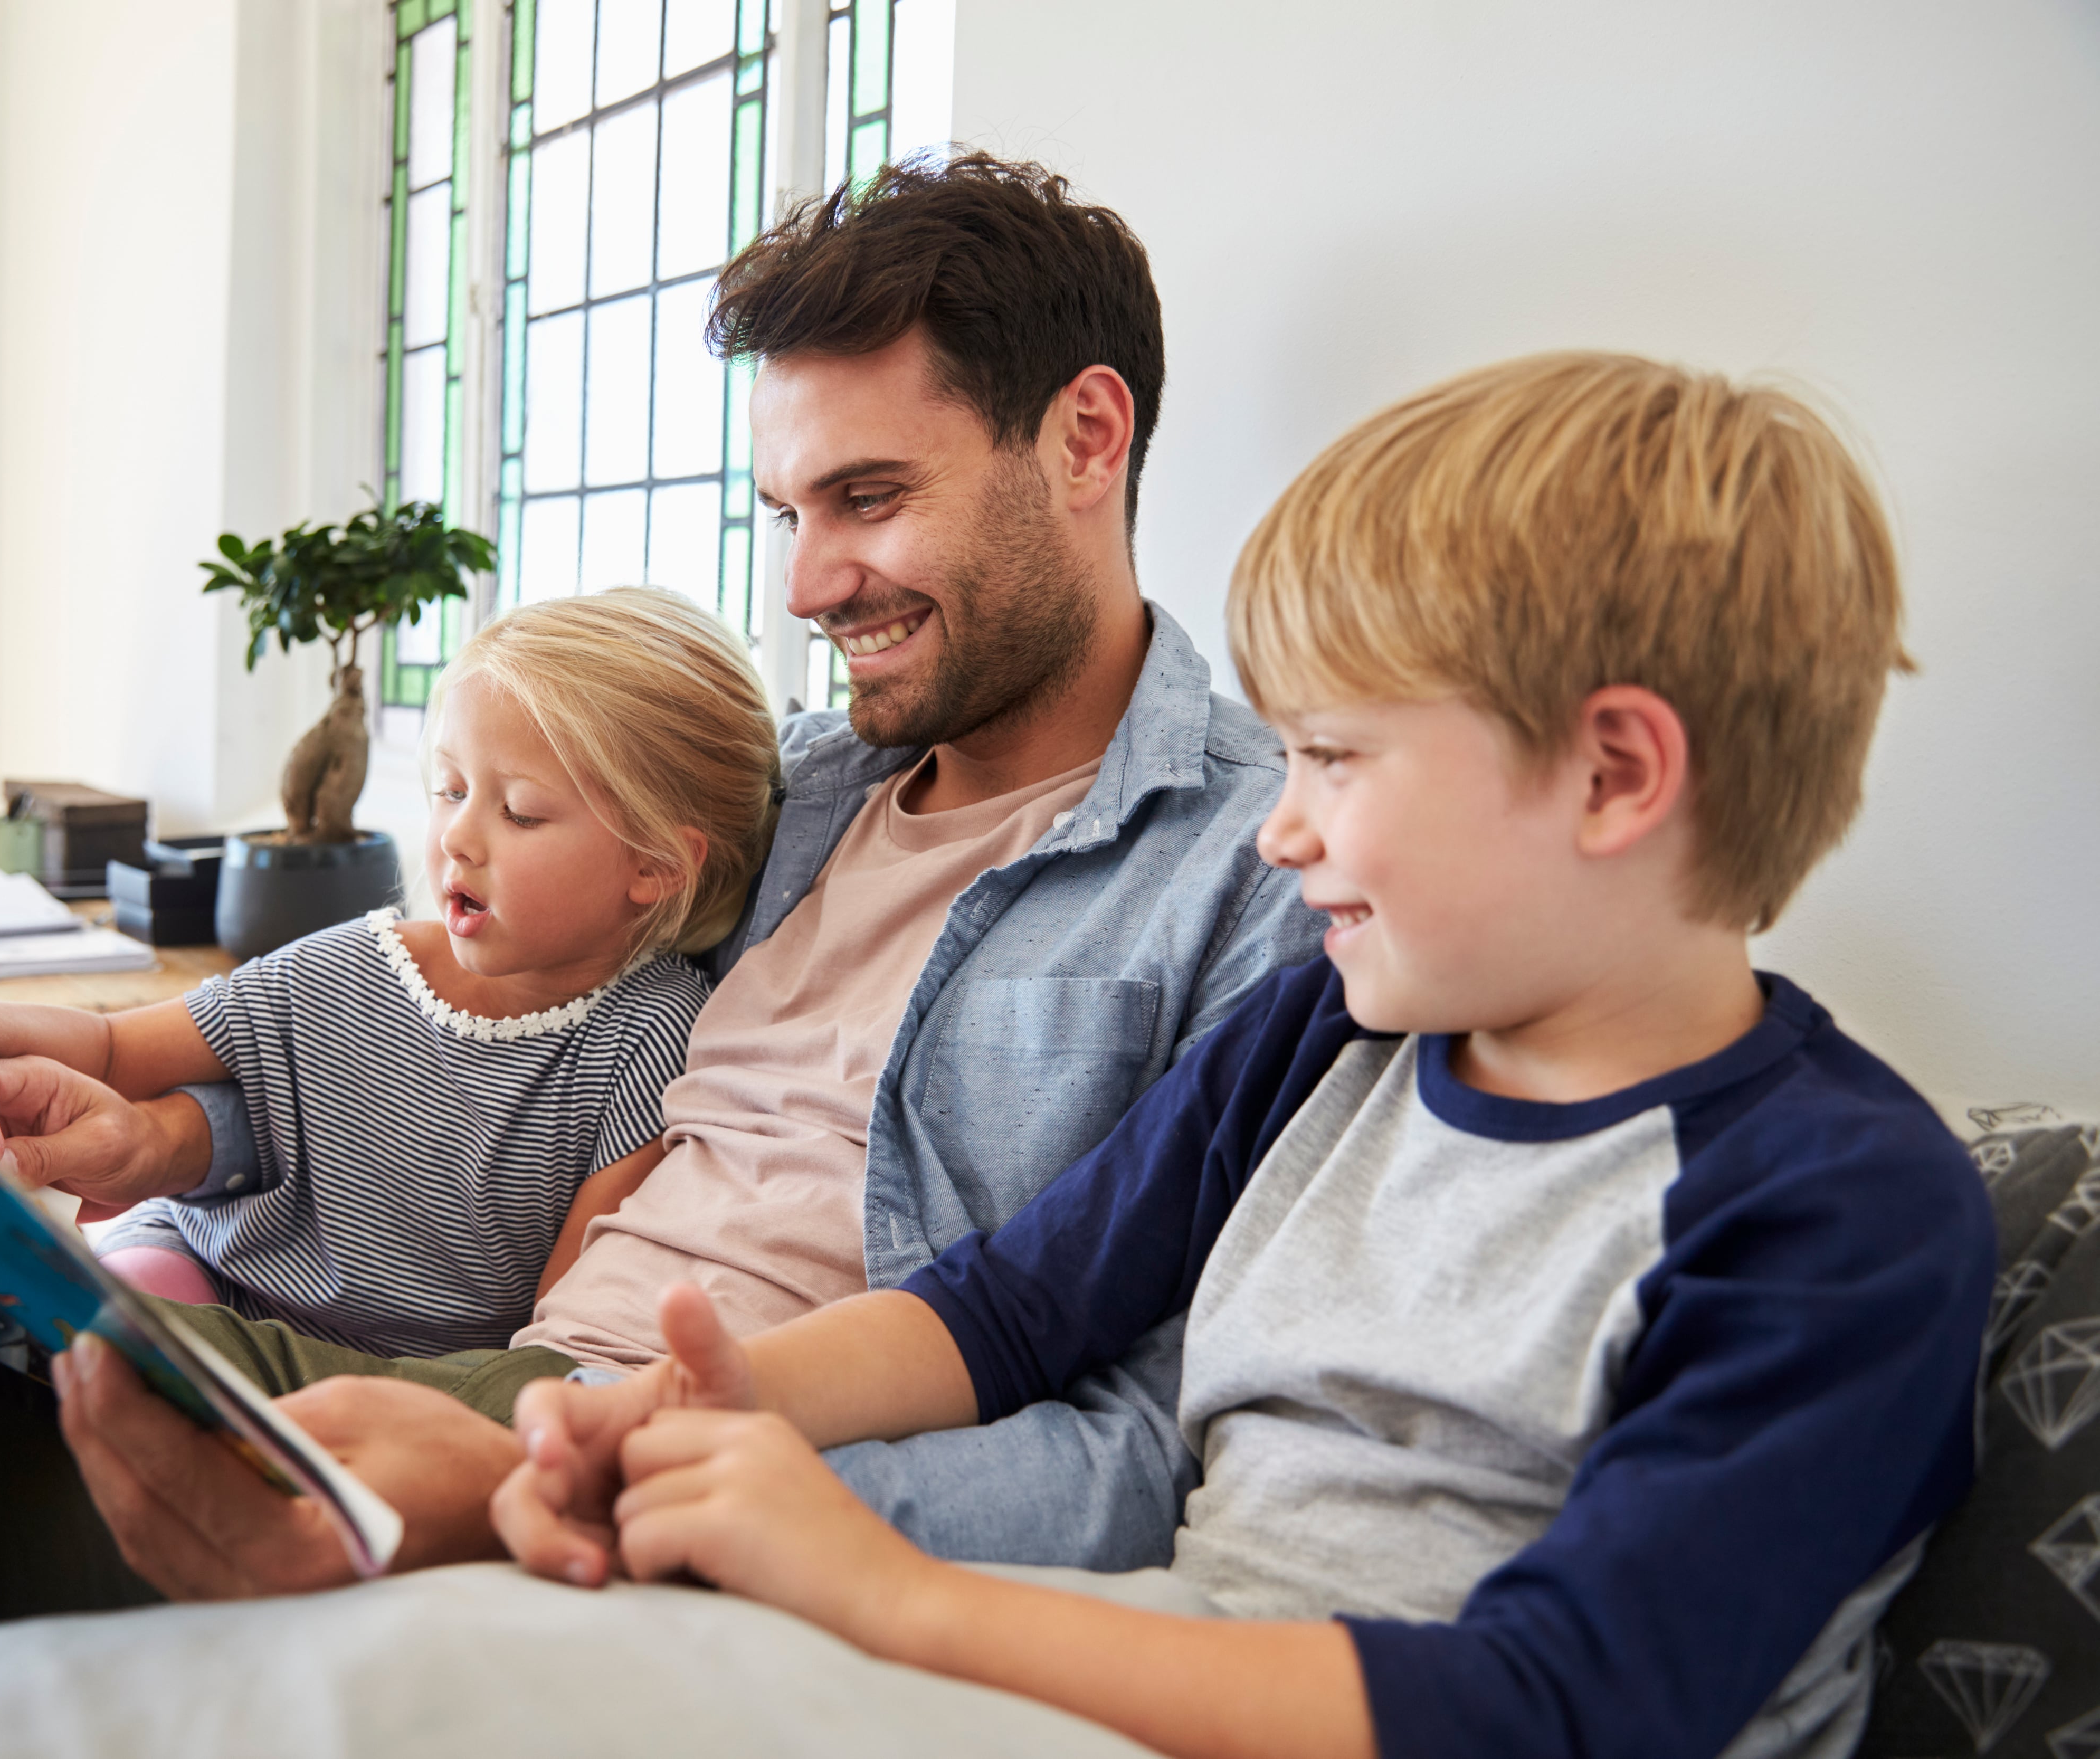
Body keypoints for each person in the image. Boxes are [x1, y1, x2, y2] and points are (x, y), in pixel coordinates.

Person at [0, 152, 1317, 1690]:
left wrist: (616, 1479)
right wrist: (156, 1118)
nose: (813, 580)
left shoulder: (1265, 873)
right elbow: (465, 1023)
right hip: (450, 1391)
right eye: (787, 507)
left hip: (596, 1473)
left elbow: (1147, 1451)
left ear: (1087, 439)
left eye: (872, 498)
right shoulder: (791, 790)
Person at [483, 353, 1998, 1759]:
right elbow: (1010, 1308)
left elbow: (1556, 1703)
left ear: (1612, 776)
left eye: (1334, 757)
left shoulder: (1839, 1206)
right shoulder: (1326, 1036)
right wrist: (730, 1398)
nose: (1281, 828)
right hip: (1161, 1669)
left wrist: (890, 1594)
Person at [0, 589, 774, 1381]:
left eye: (519, 810)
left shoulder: (653, 1038)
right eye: (449, 790)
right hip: (205, 1276)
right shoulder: (360, 966)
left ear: (654, 866)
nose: (458, 835)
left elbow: (558, 1331)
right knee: (90, 1346)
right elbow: (122, 1048)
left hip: (396, 1383)